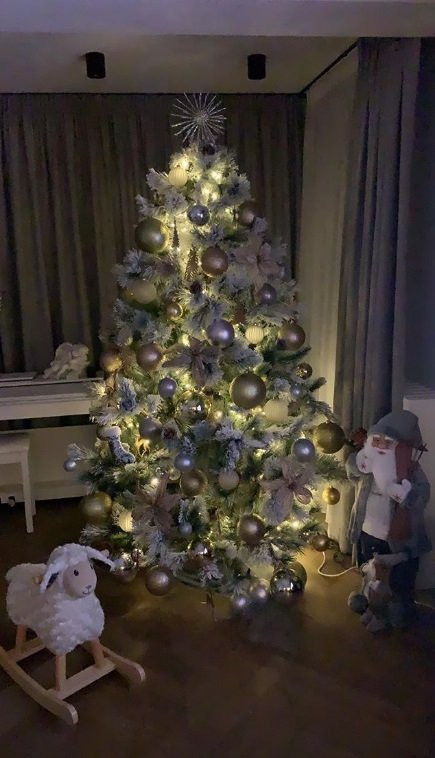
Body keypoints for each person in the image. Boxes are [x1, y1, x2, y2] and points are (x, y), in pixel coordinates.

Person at [347, 410, 431, 630]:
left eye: (388, 442)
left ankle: (396, 612)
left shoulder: (411, 471)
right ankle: (371, 607)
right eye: (377, 441)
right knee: (371, 573)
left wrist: (405, 492)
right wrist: (359, 459)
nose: (381, 447)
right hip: (368, 531)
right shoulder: (369, 467)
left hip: (398, 541)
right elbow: (352, 474)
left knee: (399, 581)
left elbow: (422, 496)